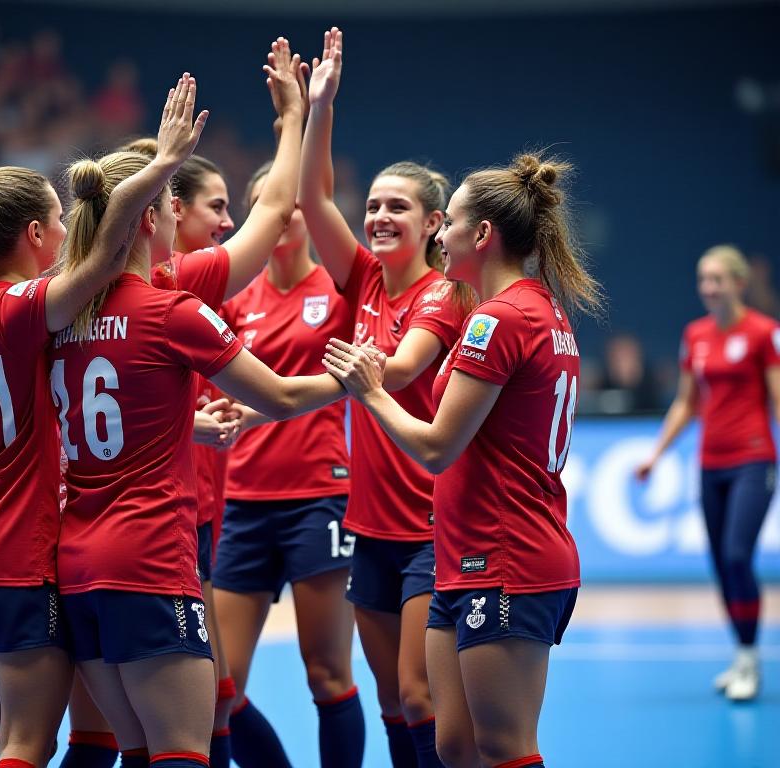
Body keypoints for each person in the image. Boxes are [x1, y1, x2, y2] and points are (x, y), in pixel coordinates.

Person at [51, 79, 350, 768]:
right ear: (156, 215)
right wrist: (361, 380)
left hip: (76, 559)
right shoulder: (171, 303)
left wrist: (183, 425)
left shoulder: (57, 313)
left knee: (123, 745)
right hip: (153, 551)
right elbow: (274, 395)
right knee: (184, 747)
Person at [0, 73, 202, 768]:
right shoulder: (23, 307)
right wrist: (163, 164)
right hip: (22, 551)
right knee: (28, 740)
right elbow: (109, 255)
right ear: (39, 232)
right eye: (61, 221)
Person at [325, 153, 602, 768]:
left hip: (508, 556)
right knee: (453, 746)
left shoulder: (500, 319)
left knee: (504, 747)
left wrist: (369, 391)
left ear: (481, 235)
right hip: (466, 556)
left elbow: (435, 446)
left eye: (447, 222)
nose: (440, 237)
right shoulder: (539, 309)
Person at [298, 26, 474, 768]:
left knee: (419, 690)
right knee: (389, 697)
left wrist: (338, 379)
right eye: (372, 205)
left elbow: (399, 371)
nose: (377, 218)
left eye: (397, 207)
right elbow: (310, 198)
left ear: (435, 224)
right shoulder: (365, 278)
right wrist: (321, 107)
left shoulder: (445, 294)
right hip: (369, 525)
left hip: (432, 526)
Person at [212, 160, 365, 768]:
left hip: (318, 497)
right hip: (242, 501)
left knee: (327, 673)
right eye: (273, 205)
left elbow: (361, 375)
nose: (286, 217)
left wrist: (296, 120)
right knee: (224, 689)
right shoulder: (231, 299)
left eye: (300, 205)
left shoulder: (338, 291)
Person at [637, 244, 780, 701]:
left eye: (718, 279)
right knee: (721, 565)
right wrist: (656, 454)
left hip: (753, 460)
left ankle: (750, 661)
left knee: (738, 555)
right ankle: (741, 655)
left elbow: (778, 399)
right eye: (704, 280)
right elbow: (686, 402)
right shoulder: (695, 335)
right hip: (709, 464)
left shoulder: (763, 333)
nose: (709, 288)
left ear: (739, 283)